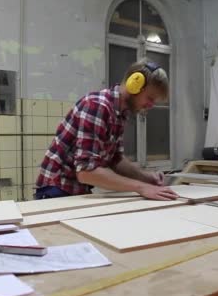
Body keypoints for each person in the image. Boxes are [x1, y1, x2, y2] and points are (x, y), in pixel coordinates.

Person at [34, 59, 178, 201]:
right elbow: (86, 172)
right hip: (56, 190)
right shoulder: (97, 106)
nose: (151, 105)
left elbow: (116, 159)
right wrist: (141, 187)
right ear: (135, 84)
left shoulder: (120, 113)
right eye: (150, 98)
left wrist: (147, 177)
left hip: (76, 190)